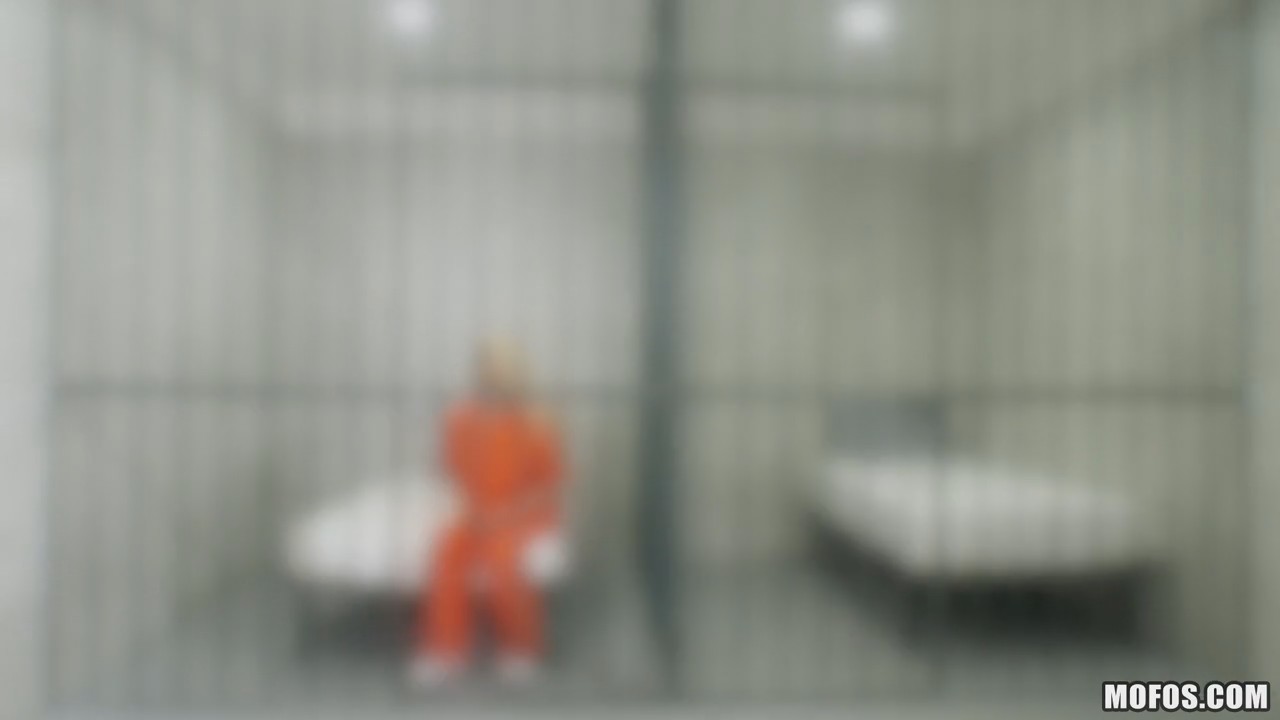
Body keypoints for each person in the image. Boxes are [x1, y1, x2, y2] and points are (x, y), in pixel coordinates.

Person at [408, 339, 565, 688]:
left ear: (519, 372)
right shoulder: (459, 417)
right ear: (479, 370)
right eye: (491, 365)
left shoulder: (539, 419)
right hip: (475, 511)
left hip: (525, 513)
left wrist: (504, 516)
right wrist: (467, 508)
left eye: (507, 365)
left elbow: (550, 487)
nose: (498, 373)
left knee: (503, 558)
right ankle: (444, 652)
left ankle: (520, 650)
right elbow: (451, 472)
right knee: (446, 550)